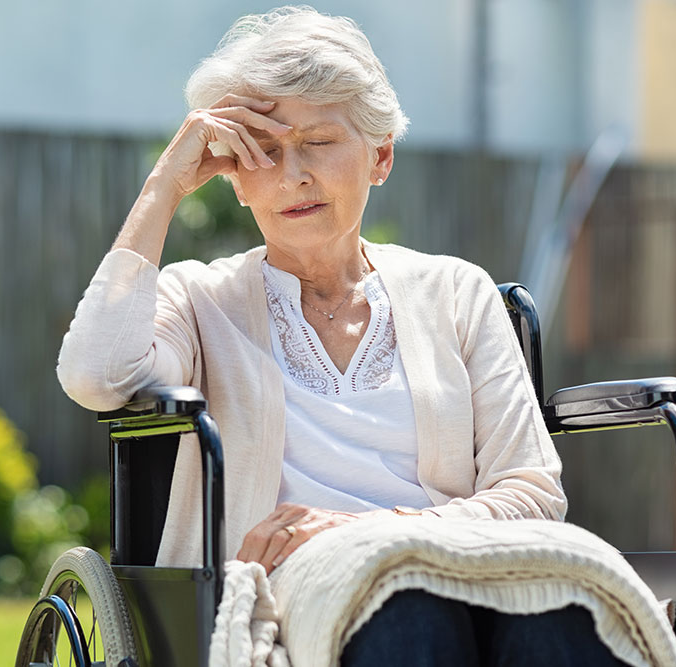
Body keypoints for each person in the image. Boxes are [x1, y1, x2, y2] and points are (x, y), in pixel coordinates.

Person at [57, 6, 627, 665]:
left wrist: (378, 532)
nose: (293, 173)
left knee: (561, 610)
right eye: (263, 151)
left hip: (459, 565)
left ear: (380, 155)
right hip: (291, 592)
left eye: (319, 141)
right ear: (234, 180)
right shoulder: (200, 298)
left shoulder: (458, 292)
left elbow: (531, 492)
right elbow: (94, 374)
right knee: (409, 610)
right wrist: (166, 183)